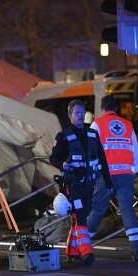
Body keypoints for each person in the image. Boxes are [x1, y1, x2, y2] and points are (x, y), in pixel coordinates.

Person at [49, 99, 112, 266]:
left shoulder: (92, 134)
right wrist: (62, 165)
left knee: (79, 218)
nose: (80, 116)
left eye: (82, 113)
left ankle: (72, 252)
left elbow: (102, 159)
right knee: (81, 217)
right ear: (70, 115)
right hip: (73, 185)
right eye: (76, 113)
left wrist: (108, 180)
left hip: (89, 185)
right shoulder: (63, 136)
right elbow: (53, 157)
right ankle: (87, 253)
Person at [87, 95, 138, 261]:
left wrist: (93, 171)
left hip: (106, 175)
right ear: (116, 108)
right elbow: (135, 151)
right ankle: (137, 249)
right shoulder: (127, 124)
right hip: (126, 174)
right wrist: (133, 170)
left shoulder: (97, 124)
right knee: (127, 209)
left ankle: (82, 245)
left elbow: (92, 150)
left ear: (101, 108)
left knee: (97, 210)